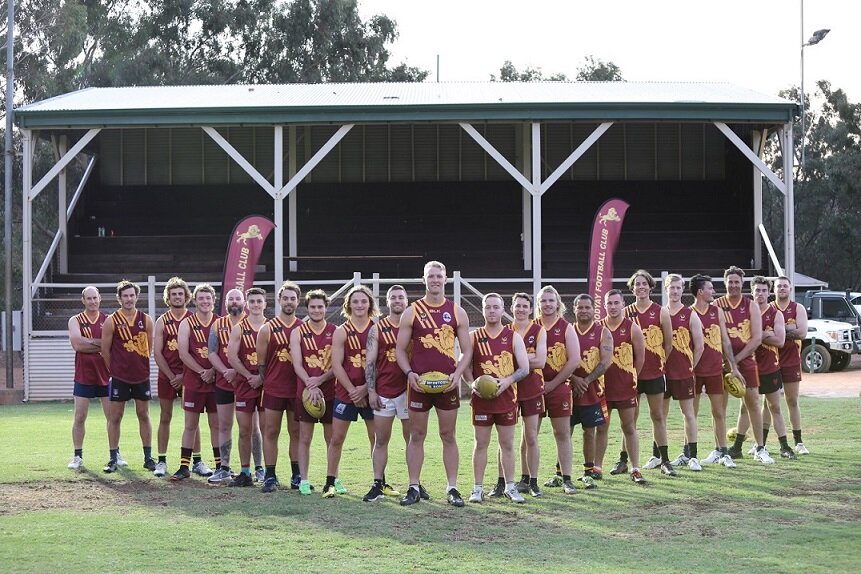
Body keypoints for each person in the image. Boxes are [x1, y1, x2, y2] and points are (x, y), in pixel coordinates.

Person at [396, 261, 472, 507]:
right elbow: (399, 350)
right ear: (424, 279)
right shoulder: (412, 311)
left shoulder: (457, 311)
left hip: (447, 384)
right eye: (431, 276)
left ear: (446, 279)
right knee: (416, 435)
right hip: (419, 383)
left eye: (439, 276)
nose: (435, 280)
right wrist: (409, 374)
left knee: (448, 435)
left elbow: (466, 351)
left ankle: (452, 488)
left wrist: (457, 375)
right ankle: (414, 486)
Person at [466, 293, 531, 504]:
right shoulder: (473, 337)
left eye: (496, 307)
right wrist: (471, 384)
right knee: (480, 443)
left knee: (507, 444)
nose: (492, 311)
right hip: (481, 401)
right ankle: (477, 489)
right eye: (488, 307)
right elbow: (463, 365)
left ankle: (510, 487)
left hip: (506, 399)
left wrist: (507, 380)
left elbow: (525, 367)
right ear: (483, 310)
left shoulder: (513, 337)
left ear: (503, 310)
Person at [614, 270, 675, 476]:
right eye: (637, 284)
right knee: (629, 420)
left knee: (657, 416)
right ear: (632, 288)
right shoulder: (626, 312)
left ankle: (664, 460)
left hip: (655, 373)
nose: (640, 287)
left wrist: (657, 362)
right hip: (631, 375)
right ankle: (623, 460)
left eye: (644, 284)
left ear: (650, 287)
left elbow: (668, 344)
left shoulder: (660, 312)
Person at [728, 277, 797, 460]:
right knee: (745, 407)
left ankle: (784, 446)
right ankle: (737, 447)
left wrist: (759, 336)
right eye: (757, 290)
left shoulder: (775, 314)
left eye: (764, 291)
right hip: (749, 366)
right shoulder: (746, 312)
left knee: (774, 406)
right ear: (752, 292)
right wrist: (765, 334)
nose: (760, 294)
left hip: (769, 367)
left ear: (769, 293)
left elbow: (780, 341)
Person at [488, 293, 547, 498]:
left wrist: (518, 357)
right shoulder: (505, 331)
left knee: (531, 436)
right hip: (508, 388)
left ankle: (532, 481)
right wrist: (524, 357)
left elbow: (541, 361)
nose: (521, 309)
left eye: (525, 306)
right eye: (517, 306)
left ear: (531, 309)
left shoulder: (539, 331)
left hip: (531, 389)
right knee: (505, 441)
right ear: (511, 308)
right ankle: (501, 482)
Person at [716, 267, 773, 464]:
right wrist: (728, 363)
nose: (733, 285)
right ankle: (719, 450)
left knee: (753, 404)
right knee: (718, 408)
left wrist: (735, 362)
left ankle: (760, 448)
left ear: (742, 283)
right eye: (730, 282)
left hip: (746, 362)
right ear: (725, 283)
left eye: (736, 282)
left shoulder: (750, 306)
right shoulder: (717, 305)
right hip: (720, 363)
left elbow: (757, 339)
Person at [326, 285, 378, 498]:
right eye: (355, 301)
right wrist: (352, 390)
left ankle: (379, 481)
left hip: (371, 391)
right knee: (337, 438)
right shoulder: (341, 332)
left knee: (376, 438)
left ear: (370, 304)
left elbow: (381, 364)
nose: (359, 305)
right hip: (346, 392)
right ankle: (330, 481)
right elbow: (336, 365)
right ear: (348, 305)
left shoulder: (378, 329)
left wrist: (365, 388)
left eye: (363, 301)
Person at [207, 288, 263, 483]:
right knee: (224, 425)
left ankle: (259, 468)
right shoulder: (217, 325)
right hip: (225, 380)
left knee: (252, 427)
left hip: (248, 383)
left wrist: (240, 372)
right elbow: (212, 352)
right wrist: (225, 371)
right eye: (230, 298)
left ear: (244, 302)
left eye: (237, 298)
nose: (234, 301)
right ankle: (224, 466)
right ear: (225, 303)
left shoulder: (256, 323)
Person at [363, 285, 413, 502]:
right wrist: (371, 391)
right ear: (387, 301)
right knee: (380, 440)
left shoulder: (414, 326)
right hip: (384, 391)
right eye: (393, 297)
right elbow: (370, 362)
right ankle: (377, 483)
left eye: (401, 297)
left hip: (410, 392)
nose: (397, 300)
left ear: (407, 300)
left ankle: (415, 484)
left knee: (412, 440)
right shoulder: (377, 328)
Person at [100, 280, 155, 473]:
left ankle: (148, 458)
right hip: (120, 377)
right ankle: (113, 458)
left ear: (136, 297)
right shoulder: (111, 320)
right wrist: (115, 370)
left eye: (132, 295)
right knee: (115, 417)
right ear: (119, 298)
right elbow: (105, 351)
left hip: (141, 376)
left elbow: (148, 347)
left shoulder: (146, 319)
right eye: (125, 296)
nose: (129, 299)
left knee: (143, 414)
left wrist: (139, 364)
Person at [689, 274, 743, 468]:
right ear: (701, 291)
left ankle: (723, 451)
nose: (714, 291)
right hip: (694, 371)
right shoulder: (689, 313)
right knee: (691, 414)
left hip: (715, 370)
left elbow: (726, 340)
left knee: (718, 412)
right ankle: (689, 453)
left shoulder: (716, 311)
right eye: (710, 288)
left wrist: (733, 366)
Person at [594, 289, 647, 484]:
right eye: (609, 303)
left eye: (616, 303)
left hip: (625, 388)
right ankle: (597, 467)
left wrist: (631, 377)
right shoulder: (598, 327)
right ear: (604, 305)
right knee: (602, 428)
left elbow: (640, 359)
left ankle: (635, 468)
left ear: (623, 304)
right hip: (603, 389)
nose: (613, 307)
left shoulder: (632, 328)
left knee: (629, 427)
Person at [257, 281, 303, 493]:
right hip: (274, 388)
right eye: (285, 298)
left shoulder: (303, 327)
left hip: (296, 389)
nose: (289, 302)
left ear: (298, 301)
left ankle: (296, 474)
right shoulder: (267, 329)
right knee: (271, 431)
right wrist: (270, 380)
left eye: (293, 298)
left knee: (296, 432)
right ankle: (270, 475)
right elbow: (261, 363)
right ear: (279, 300)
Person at [170, 284, 220, 480]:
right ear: (195, 300)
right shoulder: (186, 323)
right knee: (190, 425)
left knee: (216, 425)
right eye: (201, 298)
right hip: (193, 381)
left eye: (208, 298)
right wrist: (202, 371)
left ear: (213, 301)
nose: (205, 301)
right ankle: (184, 467)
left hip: (217, 382)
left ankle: (220, 466)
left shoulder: (220, 323)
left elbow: (226, 352)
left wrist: (213, 370)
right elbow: (183, 353)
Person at [290, 289, 337, 496]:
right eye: (313, 307)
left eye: (320, 306)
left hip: (330, 390)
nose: (317, 310)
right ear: (307, 308)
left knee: (332, 438)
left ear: (326, 308)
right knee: (304, 438)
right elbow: (297, 364)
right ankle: (304, 480)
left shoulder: (335, 331)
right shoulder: (298, 331)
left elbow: (338, 364)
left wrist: (320, 379)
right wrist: (311, 384)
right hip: (306, 392)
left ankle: (334, 478)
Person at [152, 277, 198, 477]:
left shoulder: (194, 319)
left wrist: (183, 375)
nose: (177, 297)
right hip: (167, 377)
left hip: (189, 376)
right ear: (168, 298)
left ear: (186, 296)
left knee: (192, 421)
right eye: (173, 294)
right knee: (165, 417)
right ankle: (161, 460)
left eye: (180, 293)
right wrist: (172, 376)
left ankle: (197, 461)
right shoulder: (162, 321)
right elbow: (157, 352)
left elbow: (197, 352)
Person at [537, 285, 580, 493]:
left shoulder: (566, 327)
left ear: (558, 304)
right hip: (533, 389)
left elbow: (573, 361)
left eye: (550, 300)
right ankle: (528, 479)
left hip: (559, 386)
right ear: (538, 304)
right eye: (543, 301)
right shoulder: (531, 327)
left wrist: (553, 384)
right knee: (529, 435)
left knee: (562, 433)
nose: (547, 304)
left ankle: (566, 478)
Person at [662, 274, 705, 471]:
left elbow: (700, 346)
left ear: (682, 290)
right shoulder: (660, 314)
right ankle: (660, 456)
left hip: (683, 373)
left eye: (678, 288)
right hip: (662, 374)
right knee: (659, 416)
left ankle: (693, 456)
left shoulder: (690, 314)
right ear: (666, 289)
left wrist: (690, 366)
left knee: (688, 414)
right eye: (672, 287)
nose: (675, 291)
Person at [569, 294, 612, 487]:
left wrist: (585, 381)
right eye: (581, 307)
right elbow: (559, 361)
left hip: (592, 389)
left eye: (588, 307)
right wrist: (574, 378)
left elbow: (605, 362)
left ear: (594, 309)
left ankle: (589, 470)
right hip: (568, 388)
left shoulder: (603, 332)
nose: (584, 310)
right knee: (564, 432)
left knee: (589, 431)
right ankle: (561, 472)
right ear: (574, 309)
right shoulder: (568, 331)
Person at [226, 287, 268, 486]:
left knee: (268, 430)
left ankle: (268, 471)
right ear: (246, 305)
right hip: (245, 384)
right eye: (252, 302)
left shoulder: (271, 327)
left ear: (265, 304)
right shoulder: (239, 328)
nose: (256, 305)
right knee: (244, 429)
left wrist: (261, 377)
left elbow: (277, 358)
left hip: (267, 385)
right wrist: (248, 375)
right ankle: (245, 472)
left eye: (259, 301)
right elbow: (231, 356)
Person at [67, 286, 111, 470]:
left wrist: (90, 341)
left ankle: (115, 454)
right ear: (83, 300)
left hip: (106, 374)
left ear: (100, 299)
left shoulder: (109, 320)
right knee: (80, 416)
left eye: (95, 298)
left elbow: (112, 345)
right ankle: (77, 456)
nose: (92, 301)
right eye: (89, 298)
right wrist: (101, 344)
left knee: (112, 417)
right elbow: (77, 344)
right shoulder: (75, 320)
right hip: (83, 375)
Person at [771, 276, 810, 454]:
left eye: (785, 286)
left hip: (792, 359)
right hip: (770, 359)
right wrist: (789, 329)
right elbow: (761, 330)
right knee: (769, 403)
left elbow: (802, 332)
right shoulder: (769, 308)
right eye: (779, 286)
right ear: (774, 289)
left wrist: (778, 331)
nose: (782, 289)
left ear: (790, 289)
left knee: (792, 400)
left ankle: (799, 442)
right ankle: (760, 444)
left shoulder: (798, 308)